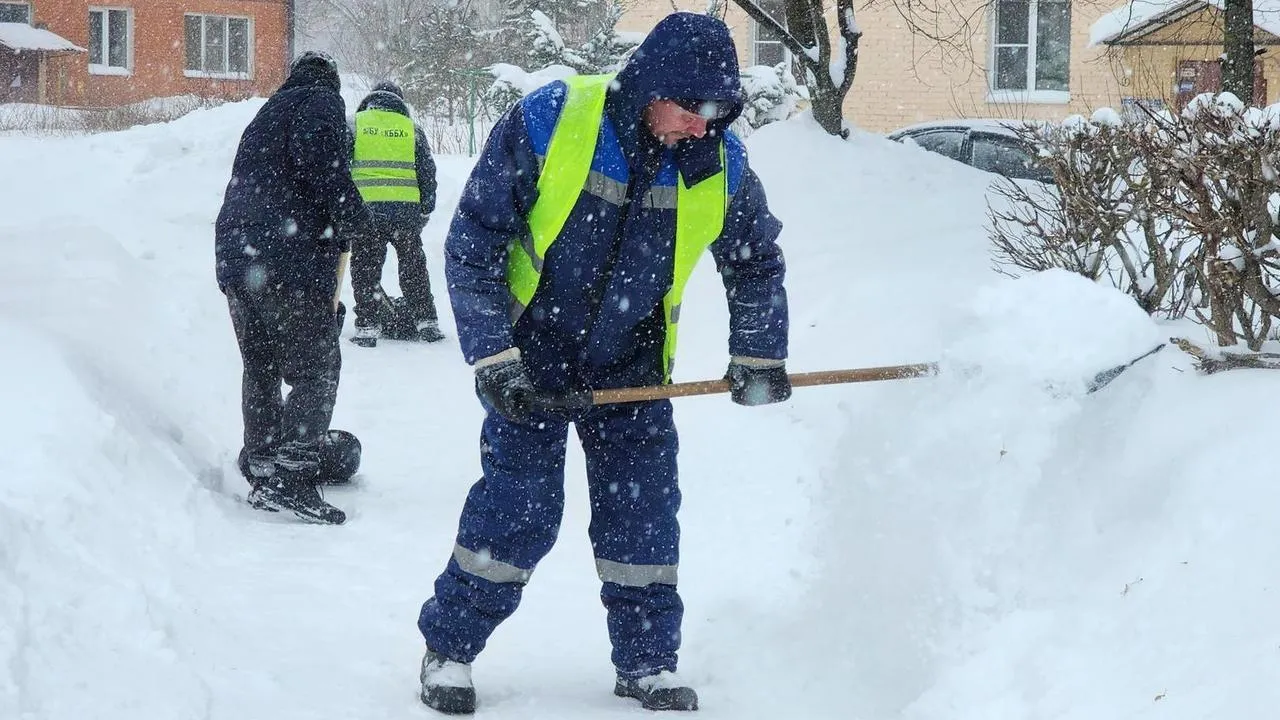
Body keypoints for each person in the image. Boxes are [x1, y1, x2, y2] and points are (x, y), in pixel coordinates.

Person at [415, 12, 791, 714]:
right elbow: (473, 241)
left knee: (643, 514)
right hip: (530, 355)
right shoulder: (556, 120)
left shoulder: (719, 162)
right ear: (652, 86)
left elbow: (755, 261)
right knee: (519, 508)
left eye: (718, 114)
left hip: (635, 364)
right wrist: (495, 358)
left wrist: (759, 353)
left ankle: (647, 664)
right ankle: (451, 648)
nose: (701, 128)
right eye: (692, 109)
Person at [214, 51, 371, 525]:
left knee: (260, 364)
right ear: (333, 82)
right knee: (316, 368)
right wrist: (354, 217)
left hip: (237, 256)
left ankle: (263, 459)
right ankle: (293, 474)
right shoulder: (321, 103)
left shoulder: (266, 114)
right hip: (286, 256)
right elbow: (323, 167)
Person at [348, 80, 444, 348]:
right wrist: (426, 208)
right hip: (406, 212)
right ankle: (427, 322)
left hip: (367, 213)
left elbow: (341, 168)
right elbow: (427, 171)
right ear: (399, 101)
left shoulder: (355, 124)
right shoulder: (412, 129)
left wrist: (344, 209)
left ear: (371, 100)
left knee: (366, 267)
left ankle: (367, 325)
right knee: (413, 266)